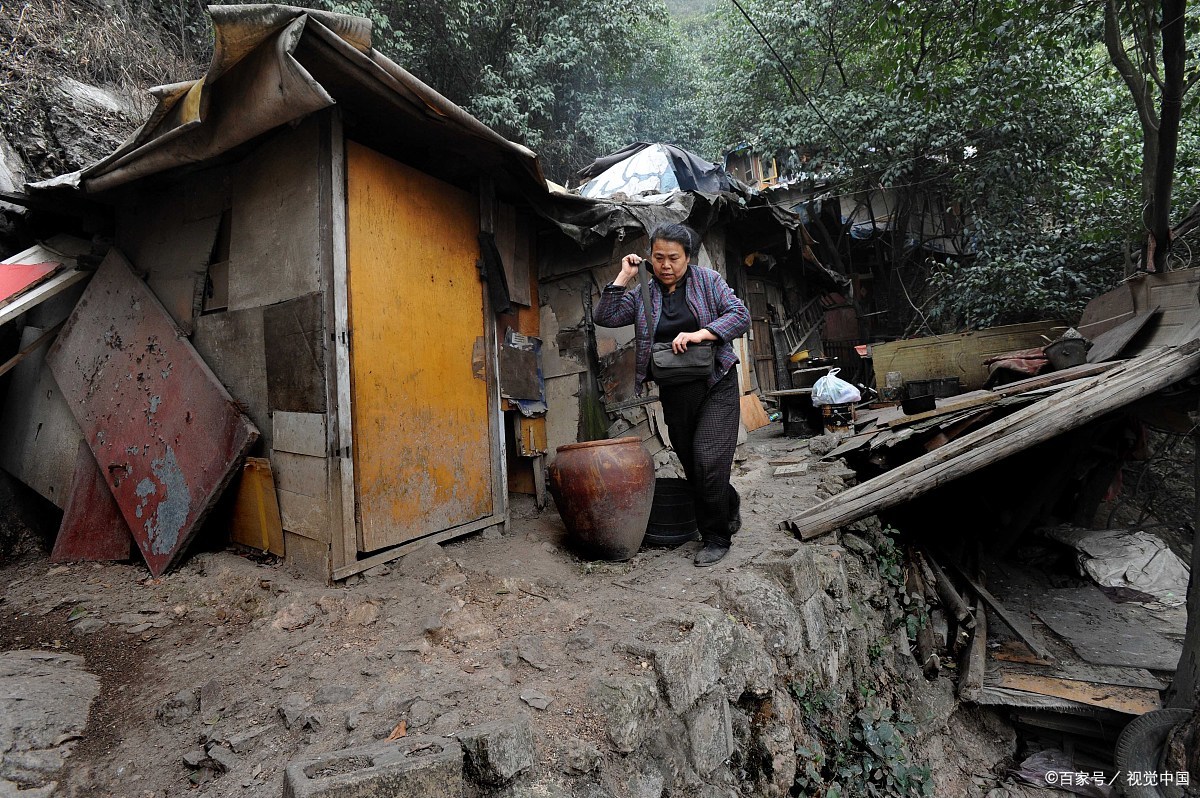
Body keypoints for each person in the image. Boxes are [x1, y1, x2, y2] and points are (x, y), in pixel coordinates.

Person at [593, 223, 751, 566]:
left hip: (715, 382)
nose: (666, 265)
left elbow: (740, 316)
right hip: (675, 390)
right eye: (659, 257)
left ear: (688, 258)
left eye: (674, 258)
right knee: (695, 465)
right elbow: (604, 316)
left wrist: (701, 334)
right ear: (651, 256)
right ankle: (730, 503)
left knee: (709, 458)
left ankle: (716, 537)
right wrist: (623, 276)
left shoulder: (708, 281)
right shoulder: (643, 293)